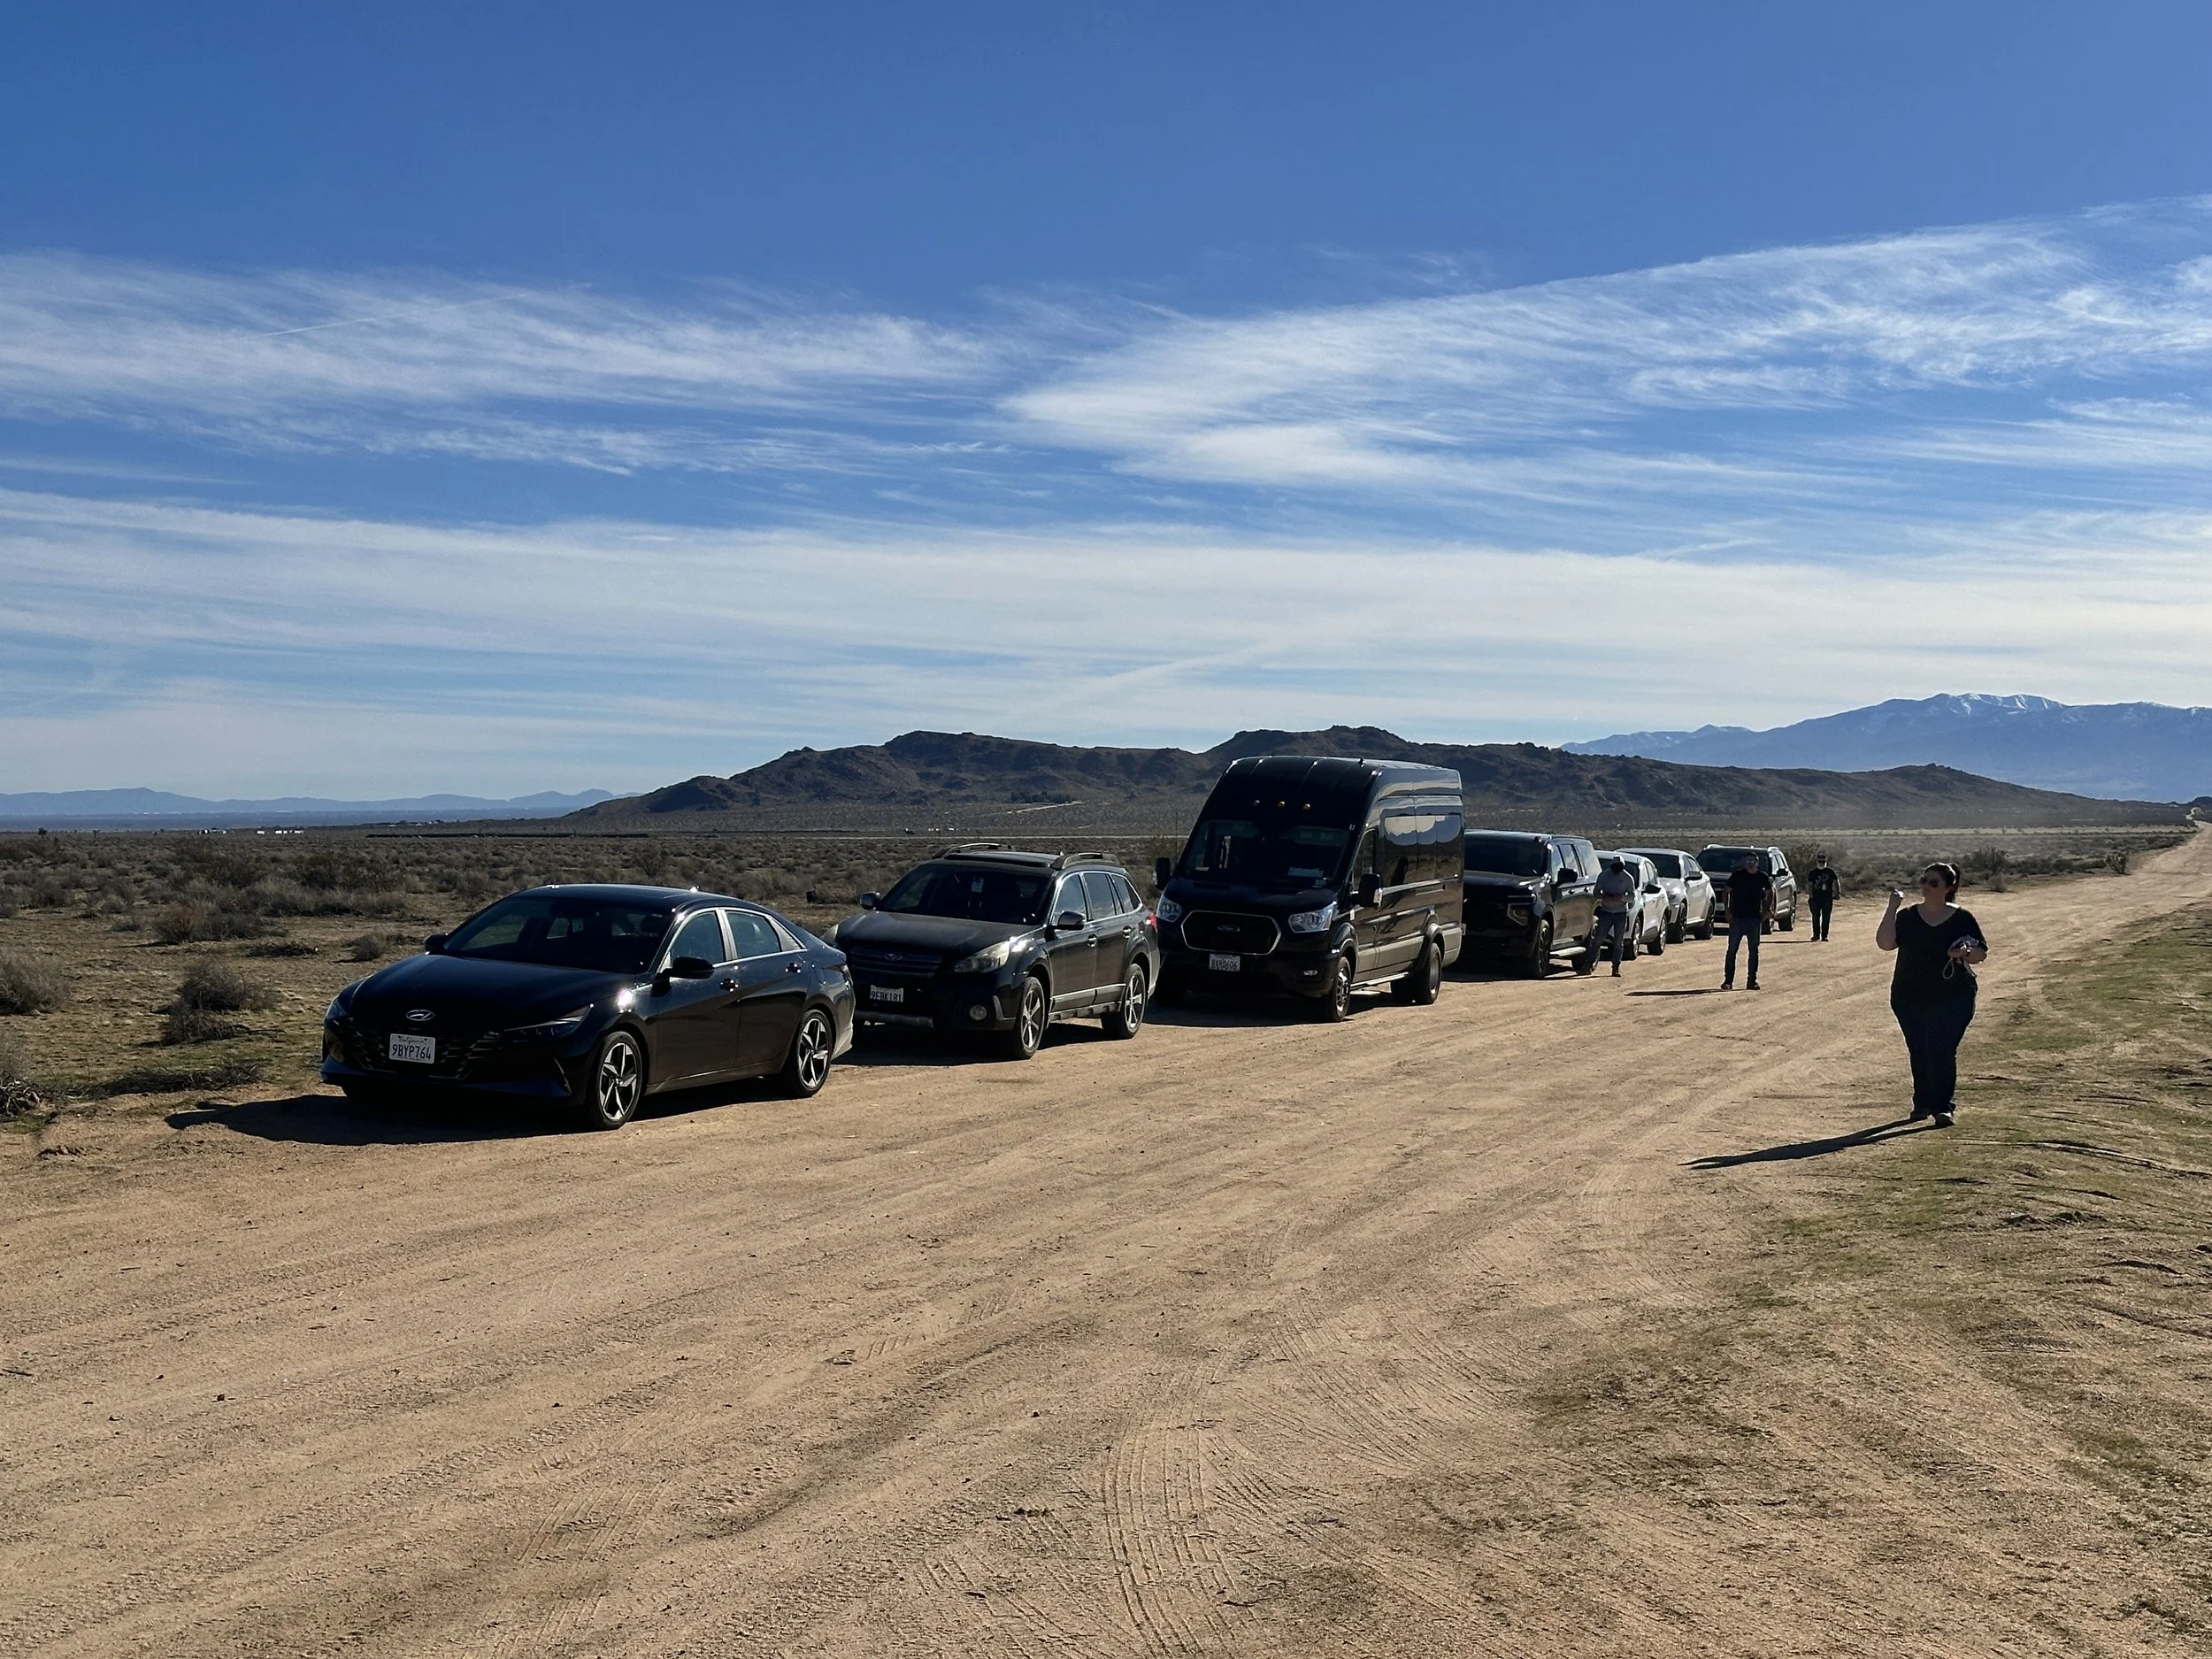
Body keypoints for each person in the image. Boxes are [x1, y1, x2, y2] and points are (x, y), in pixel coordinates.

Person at [1878, 862, 1988, 1127]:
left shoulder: (1962, 918)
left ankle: (1942, 1107)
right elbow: (1885, 943)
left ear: (1949, 887)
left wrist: (1964, 952)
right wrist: (1891, 908)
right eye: (1924, 880)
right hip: (1909, 995)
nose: (1926, 886)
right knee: (1919, 1048)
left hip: (1954, 995)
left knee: (1941, 1048)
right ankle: (1923, 1102)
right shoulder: (1907, 917)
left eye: (1933, 883)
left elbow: (1980, 953)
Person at [1721, 850, 1772, 990]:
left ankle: (1752, 981)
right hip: (1737, 918)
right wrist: (1727, 910)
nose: (1750, 864)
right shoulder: (1738, 875)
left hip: (1754, 919)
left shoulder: (1762, 877)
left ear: (1757, 863)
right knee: (1732, 951)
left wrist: (1767, 909)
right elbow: (1726, 891)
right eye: (1747, 861)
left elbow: (1769, 892)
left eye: (1752, 861)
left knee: (1753, 951)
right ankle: (1728, 981)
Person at [1591, 855, 1638, 977]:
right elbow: (1596, 892)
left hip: (1620, 913)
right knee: (1598, 940)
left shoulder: (1628, 878)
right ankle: (1589, 964)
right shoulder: (1604, 876)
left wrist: (1621, 898)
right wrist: (1604, 896)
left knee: (1618, 942)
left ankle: (1616, 967)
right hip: (1606, 911)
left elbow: (1632, 896)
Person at [1805, 852, 1840, 941]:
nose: (1821, 863)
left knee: (1826, 917)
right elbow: (1810, 885)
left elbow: (1836, 883)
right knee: (1815, 917)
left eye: (1823, 861)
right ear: (1817, 862)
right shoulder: (1813, 873)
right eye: (1820, 861)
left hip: (1827, 898)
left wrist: (1837, 894)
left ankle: (1824, 935)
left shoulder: (1830, 872)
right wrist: (1811, 895)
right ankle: (1816, 935)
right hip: (1816, 898)